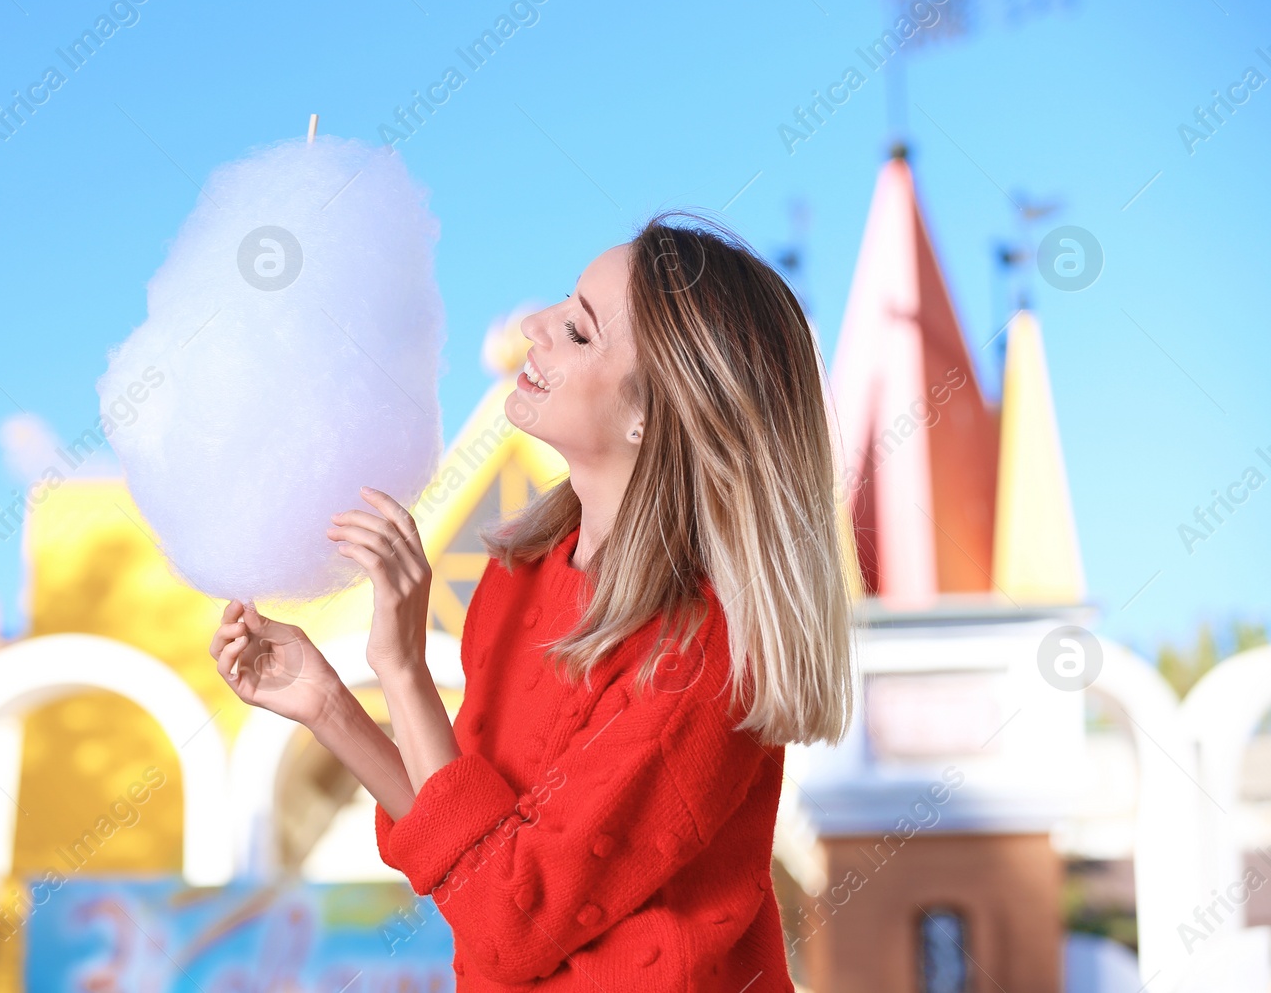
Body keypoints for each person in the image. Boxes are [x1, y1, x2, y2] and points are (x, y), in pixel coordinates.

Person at [209, 211, 855, 990]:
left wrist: (404, 664)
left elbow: (510, 922)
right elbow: (469, 844)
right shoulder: (523, 572)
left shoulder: (701, 652)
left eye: (580, 333)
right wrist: (328, 706)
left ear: (654, 414)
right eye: (563, 304)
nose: (535, 326)